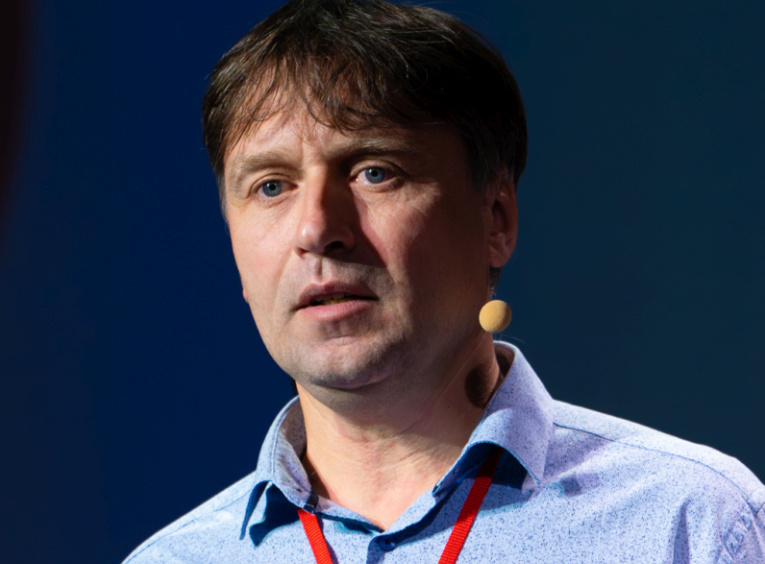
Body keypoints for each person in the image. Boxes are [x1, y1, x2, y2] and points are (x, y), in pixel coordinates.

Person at [123, 0, 765, 561]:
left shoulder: (693, 525)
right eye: (271, 186)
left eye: (375, 172)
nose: (316, 228)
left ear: (496, 220)